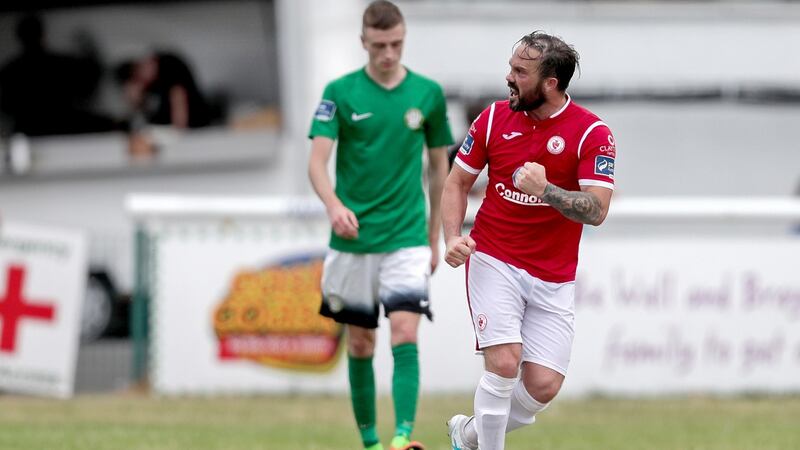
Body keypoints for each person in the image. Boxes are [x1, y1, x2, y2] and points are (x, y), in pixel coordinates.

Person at [442, 31, 616, 450]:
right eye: (512, 67)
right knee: (503, 362)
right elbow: (456, 184)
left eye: (520, 71)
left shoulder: (592, 132)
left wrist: (548, 191)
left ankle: (467, 436)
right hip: (494, 257)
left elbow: (597, 211)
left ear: (550, 83)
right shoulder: (491, 118)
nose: (509, 77)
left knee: (543, 385)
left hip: (554, 275)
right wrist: (452, 236)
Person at [307, 2, 453, 450]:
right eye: (380, 45)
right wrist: (333, 205)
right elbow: (316, 163)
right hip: (353, 241)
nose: (389, 53)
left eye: (397, 44)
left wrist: (435, 239)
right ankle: (370, 442)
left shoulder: (427, 94)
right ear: (363, 43)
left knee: (406, 331)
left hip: (406, 237)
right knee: (361, 344)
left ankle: (401, 438)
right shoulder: (340, 91)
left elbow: (439, 174)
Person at [0, 14, 113, 136]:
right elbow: (91, 80)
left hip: (28, 131)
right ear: (43, 35)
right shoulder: (63, 63)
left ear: (19, 37)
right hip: (64, 128)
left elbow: (6, 107)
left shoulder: (10, 69)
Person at [115, 51, 211, 129]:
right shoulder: (151, 85)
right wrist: (137, 101)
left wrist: (178, 134)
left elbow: (179, 103)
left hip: (196, 125)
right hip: (173, 129)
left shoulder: (168, 66)